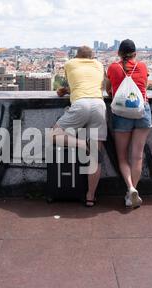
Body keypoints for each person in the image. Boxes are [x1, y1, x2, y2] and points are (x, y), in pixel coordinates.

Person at [53, 46, 106, 207]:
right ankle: (90, 197)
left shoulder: (70, 64)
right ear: (92, 57)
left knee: (54, 135)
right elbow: (92, 83)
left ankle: (82, 144)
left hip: (81, 104)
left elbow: (76, 83)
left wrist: (64, 91)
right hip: (99, 104)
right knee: (96, 157)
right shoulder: (98, 65)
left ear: (77, 56)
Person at [106, 39, 152, 209]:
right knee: (137, 156)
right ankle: (132, 192)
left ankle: (130, 187)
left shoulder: (113, 68)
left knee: (122, 157)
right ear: (135, 53)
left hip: (121, 113)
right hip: (142, 110)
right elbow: (144, 87)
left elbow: (108, 90)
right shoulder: (142, 66)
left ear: (119, 52)